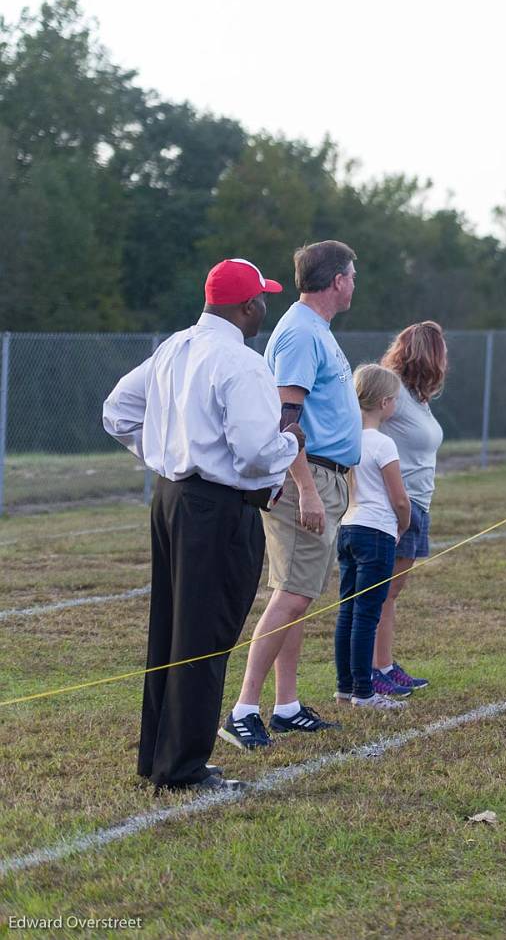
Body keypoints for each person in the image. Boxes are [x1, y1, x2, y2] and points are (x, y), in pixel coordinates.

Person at [102, 258, 303, 792]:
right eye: (261, 299)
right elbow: (257, 452)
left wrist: (168, 453)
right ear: (247, 306)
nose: (265, 307)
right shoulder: (240, 362)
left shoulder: (173, 347)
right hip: (215, 508)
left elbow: (116, 411)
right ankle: (184, 767)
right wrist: (291, 443)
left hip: (171, 499)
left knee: (170, 630)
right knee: (205, 635)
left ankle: (160, 756)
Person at [223, 240, 361, 750]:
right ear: (337, 280)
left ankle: (285, 706)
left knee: (296, 596)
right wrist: (305, 487)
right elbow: (287, 420)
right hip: (309, 478)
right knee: (291, 596)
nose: (355, 283)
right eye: (352, 274)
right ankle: (242, 710)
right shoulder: (302, 333)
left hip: (324, 476)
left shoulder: (313, 329)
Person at [373, 321, 447, 696]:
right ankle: (372, 670)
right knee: (381, 592)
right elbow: (365, 430)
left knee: (392, 593)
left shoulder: (417, 398)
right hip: (397, 504)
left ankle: (384, 665)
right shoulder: (393, 391)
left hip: (419, 504)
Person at [334, 365, 412, 710]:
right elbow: (399, 498)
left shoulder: (346, 438)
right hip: (377, 532)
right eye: (394, 399)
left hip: (347, 528)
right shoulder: (383, 443)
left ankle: (345, 686)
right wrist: (404, 524)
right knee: (367, 613)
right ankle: (364, 693)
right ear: (384, 403)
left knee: (347, 610)